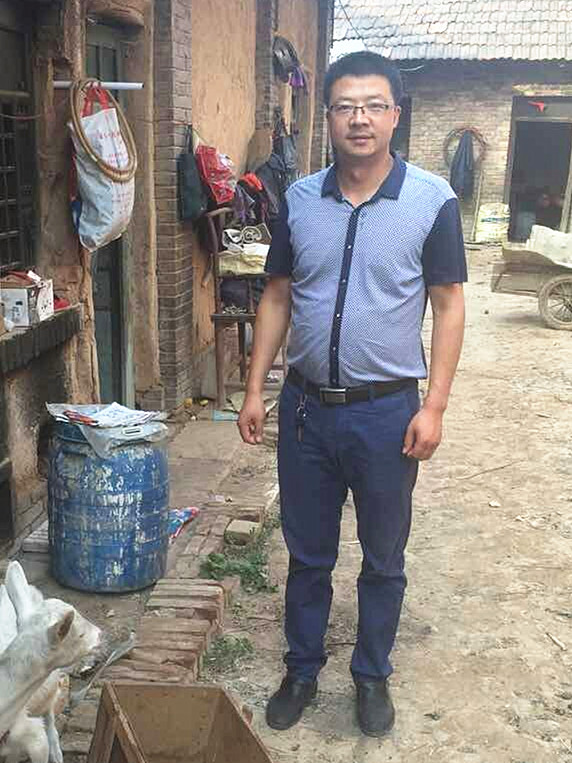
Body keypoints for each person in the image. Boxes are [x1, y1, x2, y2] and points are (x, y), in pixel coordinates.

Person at [238, 51, 467, 737]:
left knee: (383, 557)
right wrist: (254, 389)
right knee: (307, 553)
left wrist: (435, 405)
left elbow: (448, 305)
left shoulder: (431, 201)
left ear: (395, 114)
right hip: (306, 410)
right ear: (329, 116)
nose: (359, 119)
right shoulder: (301, 201)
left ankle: (371, 675)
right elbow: (277, 295)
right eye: (345, 106)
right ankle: (302, 669)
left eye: (372, 105)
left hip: (386, 413)